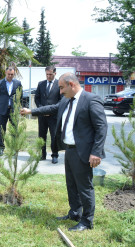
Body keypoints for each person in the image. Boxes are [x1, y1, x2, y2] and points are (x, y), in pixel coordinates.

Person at [21, 72, 107, 231]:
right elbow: (52, 108)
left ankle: (87, 221)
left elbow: (101, 127)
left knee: (84, 187)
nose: (59, 91)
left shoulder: (90, 100)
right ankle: (75, 212)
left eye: (61, 87)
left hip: (84, 152)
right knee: (71, 184)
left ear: (71, 84)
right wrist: (31, 111)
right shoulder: (66, 100)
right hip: (69, 150)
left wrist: (96, 152)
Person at [34, 66, 62, 164]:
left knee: (54, 135)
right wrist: (41, 109)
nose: (48, 76)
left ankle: (54, 155)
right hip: (42, 116)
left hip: (54, 116)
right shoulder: (41, 84)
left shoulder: (59, 84)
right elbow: (37, 98)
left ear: (55, 73)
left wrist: (51, 110)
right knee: (41, 135)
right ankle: (42, 154)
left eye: (50, 74)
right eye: (47, 74)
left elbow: (61, 100)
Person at [0, 66, 23, 156]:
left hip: (14, 110)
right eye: (9, 74)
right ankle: (1, 148)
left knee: (14, 130)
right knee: (2, 130)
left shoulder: (18, 83)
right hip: (2, 110)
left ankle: (14, 149)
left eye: (12, 74)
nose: (10, 76)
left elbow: (20, 95)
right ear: (5, 73)